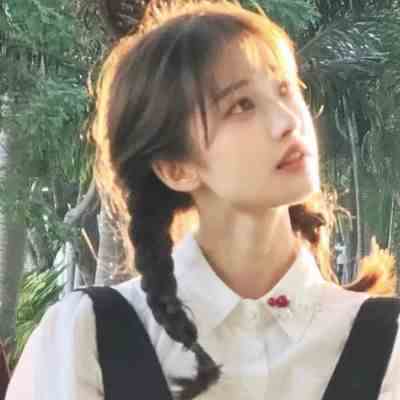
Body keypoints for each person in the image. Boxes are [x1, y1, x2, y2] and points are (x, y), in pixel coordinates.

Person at [5, 0, 400, 399]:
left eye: (285, 90)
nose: (288, 121)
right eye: (242, 105)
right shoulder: (86, 339)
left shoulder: (389, 345)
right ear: (175, 168)